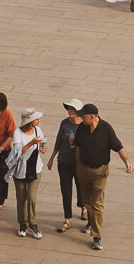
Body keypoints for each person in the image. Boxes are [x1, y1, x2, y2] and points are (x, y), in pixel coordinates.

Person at [71, 104, 130, 251]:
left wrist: (127, 162)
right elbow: (78, 146)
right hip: (83, 170)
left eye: (84, 116)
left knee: (97, 204)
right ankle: (91, 221)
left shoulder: (106, 129)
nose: (81, 118)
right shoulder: (82, 128)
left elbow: (118, 146)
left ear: (93, 117)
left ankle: (97, 237)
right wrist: (77, 165)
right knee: (86, 200)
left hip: (100, 172)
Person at [46, 100, 84, 233]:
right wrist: (51, 158)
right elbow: (58, 141)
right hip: (64, 161)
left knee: (81, 187)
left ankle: (83, 206)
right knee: (66, 190)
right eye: (68, 108)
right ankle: (67, 218)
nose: (69, 111)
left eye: (72, 109)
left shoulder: (84, 125)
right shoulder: (64, 123)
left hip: (79, 164)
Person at [8, 108, 47, 238]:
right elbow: (19, 151)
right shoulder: (18, 133)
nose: (39, 120)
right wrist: (31, 142)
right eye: (36, 118)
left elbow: (41, 146)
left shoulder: (38, 130)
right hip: (21, 169)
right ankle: (22, 223)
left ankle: (33, 223)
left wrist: (43, 148)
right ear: (30, 121)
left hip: (35, 168)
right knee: (21, 197)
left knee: (31, 196)